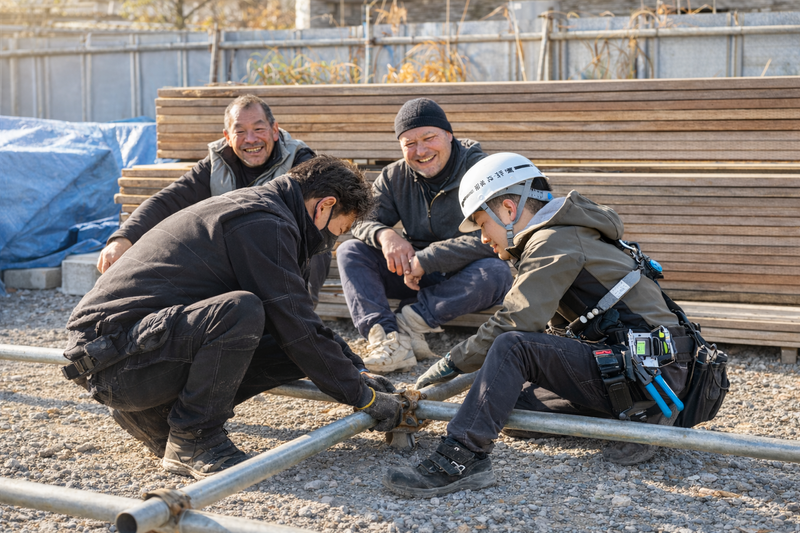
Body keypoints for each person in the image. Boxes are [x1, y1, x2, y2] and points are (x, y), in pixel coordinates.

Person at [62, 156, 404, 479]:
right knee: (242, 312)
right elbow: (295, 322)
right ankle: (195, 438)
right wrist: (364, 398)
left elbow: (298, 323)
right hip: (113, 363)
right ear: (325, 205)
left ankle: (158, 417)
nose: (330, 242)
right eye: (337, 230)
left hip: (128, 352)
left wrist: (357, 372)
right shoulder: (262, 222)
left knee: (289, 349)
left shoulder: (266, 212)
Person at [382, 152, 696, 497]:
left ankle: (461, 458)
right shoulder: (566, 234)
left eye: (481, 222)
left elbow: (516, 322)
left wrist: (450, 362)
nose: (484, 238)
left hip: (652, 376)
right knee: (513, 407)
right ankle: (635, 420)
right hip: (644, 368)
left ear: (507, 209)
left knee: (513, 345)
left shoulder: (554, 241)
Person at [98, 94, 331, 307]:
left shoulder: (301, 162)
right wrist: (123, 239)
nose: (251, 139)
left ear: (275, 130)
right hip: (235, 254)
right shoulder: (215, 165)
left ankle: (300, 318)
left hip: (286, 251)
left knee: (316, 243)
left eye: (258, 129)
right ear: (227, 137)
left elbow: (321, 220)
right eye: (240, 131)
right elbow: (168, 200)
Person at [337, 98, 513, 373]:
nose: (420, 150)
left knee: (497, 272)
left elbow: (499, 235)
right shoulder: (393, 176)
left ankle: (408, 324)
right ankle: (387, 338)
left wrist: (428, 259)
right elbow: (361, 221)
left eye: (428, 138)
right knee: (351, 251)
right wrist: (385, 235)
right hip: (412, 274)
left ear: (449, 135)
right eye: (409, 144)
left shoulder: (480, 170)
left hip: (462, 274)